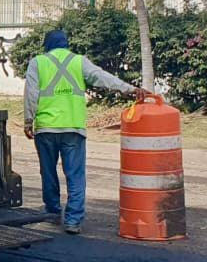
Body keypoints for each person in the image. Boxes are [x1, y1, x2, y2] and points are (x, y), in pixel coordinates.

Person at [22, 28, 147, 234]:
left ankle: (52, 213)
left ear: (47, 45)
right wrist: (130, 89)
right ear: (66, 44)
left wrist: (28, 120)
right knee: (75, 175)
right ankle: (73, 220)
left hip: (46, 128)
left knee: (48, 173)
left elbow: (31, 93)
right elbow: (103, 77)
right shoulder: (79, 61)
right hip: (73, 127)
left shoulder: (38, 62)